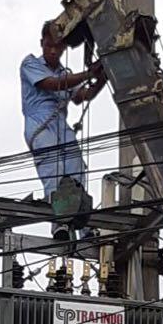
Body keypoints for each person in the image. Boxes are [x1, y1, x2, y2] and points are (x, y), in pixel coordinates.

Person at [20, 21, 107, 237]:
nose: (52, 51)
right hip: (40, 126)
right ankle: (60, 224)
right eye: (49, 45)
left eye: (57, 47)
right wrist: (88, 74)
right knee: (54, 172)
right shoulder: (30, 64)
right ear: (42, 43)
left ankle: (85, 228)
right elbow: (51, 84)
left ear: (63, 48)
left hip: (61, 126)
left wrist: (104, 73)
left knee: (76, 169)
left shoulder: (65, 72)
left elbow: (82, 96)